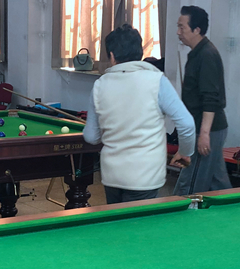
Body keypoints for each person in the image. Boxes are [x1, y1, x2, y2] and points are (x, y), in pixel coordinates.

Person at [83, 25, 195, 204]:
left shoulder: (100, 84)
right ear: (140, 52)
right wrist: (185, 151)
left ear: (112, 56)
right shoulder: (157, 81)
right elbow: (187, 124)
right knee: (138, 222)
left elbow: (91, 137)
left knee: (117, 220)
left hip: (112, 175)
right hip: (145, 176)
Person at [173, 5, 231, 195]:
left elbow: (210, 98)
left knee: (189, 185)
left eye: (182, 27)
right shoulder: (197, 53)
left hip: (207, 129)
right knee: (217, 183)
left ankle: (179, 211)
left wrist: (204, 134)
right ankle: (234, 210)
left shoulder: (206, 55)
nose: (178, 32)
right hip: (207, 127)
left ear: (197, 30)